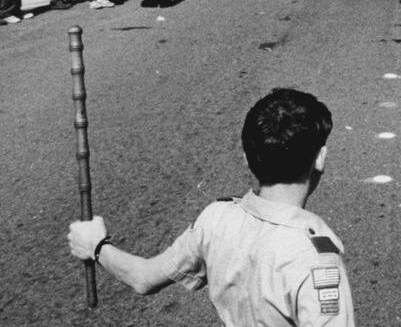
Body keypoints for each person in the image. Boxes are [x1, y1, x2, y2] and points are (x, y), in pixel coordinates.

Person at [67, 89, 355, 326]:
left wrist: (96, 247)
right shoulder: (315, 257)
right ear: (320, 158)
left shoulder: (217, 218)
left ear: (247, 158)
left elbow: (144, 278)